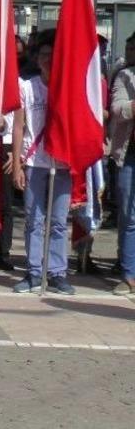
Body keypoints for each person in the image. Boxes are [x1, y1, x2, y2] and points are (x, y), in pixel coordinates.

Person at [12, 32, 75, 295]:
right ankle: (34, 272)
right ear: (37, 59)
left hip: (62, 164)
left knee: (59, 221)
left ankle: (57, 273)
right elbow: (18, 126)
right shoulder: (26, 87)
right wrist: (16, 164)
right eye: (44, 55)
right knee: (34, 219)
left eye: (53, 56)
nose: (49, 60)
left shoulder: (68, 90)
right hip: (34, 161)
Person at [108, 46, 135, 297]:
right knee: (128, 215)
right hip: (130, 156)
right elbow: (117, 110)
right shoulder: (125, 76)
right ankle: (128, 275)